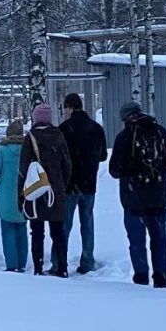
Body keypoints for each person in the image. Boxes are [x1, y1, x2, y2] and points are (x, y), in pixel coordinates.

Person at [109, 102, 166, 287]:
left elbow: (115, 169)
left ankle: (141, 277)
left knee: (137, 241)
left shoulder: (125, 136)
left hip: (133, 198)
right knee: (159, 239)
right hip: (159, 195)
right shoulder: (161, 132)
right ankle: (161, 278)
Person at [20, 104, 72, 276]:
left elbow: (23, 169)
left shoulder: (30, 138)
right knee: (58, 231)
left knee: (37, 232)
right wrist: (61, 184)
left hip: (36, 191)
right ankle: (62, 267)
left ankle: (38, 268)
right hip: (55, 190)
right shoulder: (59, 136)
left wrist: (21, 195)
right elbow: (67, 165)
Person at [59, 93, 107, 273]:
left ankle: (59, 261)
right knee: (87, 223)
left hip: (70, 183)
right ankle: (87, 260)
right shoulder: (96, 128)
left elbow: (59, 157)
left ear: (69, 107)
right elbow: (103, 156)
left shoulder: (64, 128)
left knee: (64, 225)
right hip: (89, 183)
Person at [0, 118, 29, 272]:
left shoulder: (3, 151)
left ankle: (11, 265)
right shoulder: (27, 149)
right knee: (22, 230)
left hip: (6, 197)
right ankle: (22, 263)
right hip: (24, 196)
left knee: (8, 231)